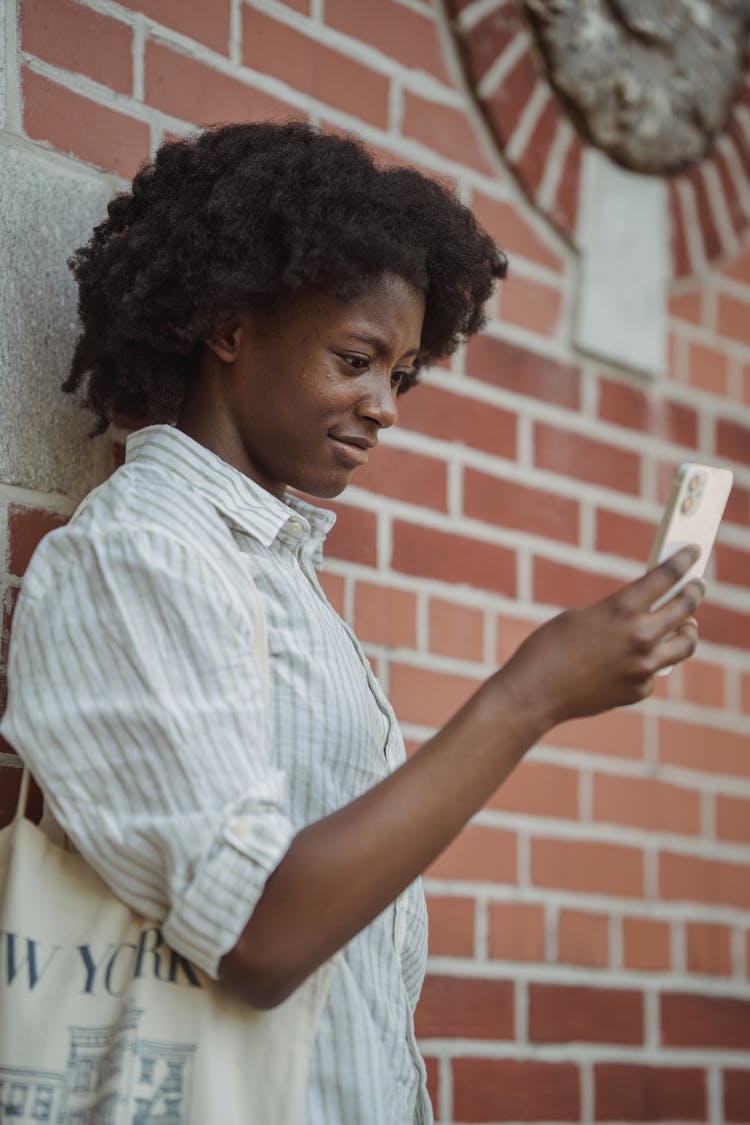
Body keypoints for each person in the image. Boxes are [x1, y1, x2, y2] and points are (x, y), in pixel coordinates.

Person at [0, 122, 703, 1124]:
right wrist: (530, 693)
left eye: (401, 374)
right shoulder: (143, 554)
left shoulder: (274, 574)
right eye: (357, 358)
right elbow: (259, 937)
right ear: (231, 328)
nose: (385, 406)